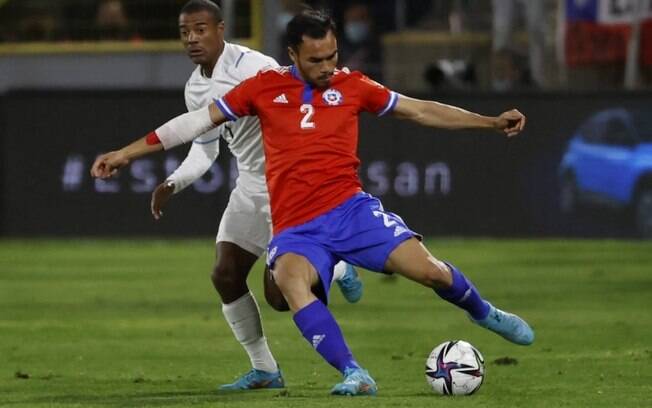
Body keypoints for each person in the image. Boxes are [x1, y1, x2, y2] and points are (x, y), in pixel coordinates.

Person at [91, 9, 534, 396]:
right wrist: (125, 153)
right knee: (288, 285)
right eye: (317, 59)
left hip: (351, 211)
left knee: (431, 273)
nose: (328, 67)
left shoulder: (354, 85)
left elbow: (419, 110)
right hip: (296, 228)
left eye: (333, 56)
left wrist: (490, 122)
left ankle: (484, 312)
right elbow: (193, 123)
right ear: (293, 55)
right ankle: (354, 373)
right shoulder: (261, 89)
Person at [146, 0, 363, 391]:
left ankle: (335, 261)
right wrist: (175, 182)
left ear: (221, 28)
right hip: (249, 187)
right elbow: (207, 145)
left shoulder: (254, 67)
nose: (193, 39)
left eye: (200, 29)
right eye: (185, 32)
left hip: (287, 188)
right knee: (225, 274)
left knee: (280, 298)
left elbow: (305, 96)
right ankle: (265, 369)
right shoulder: (195, 87)